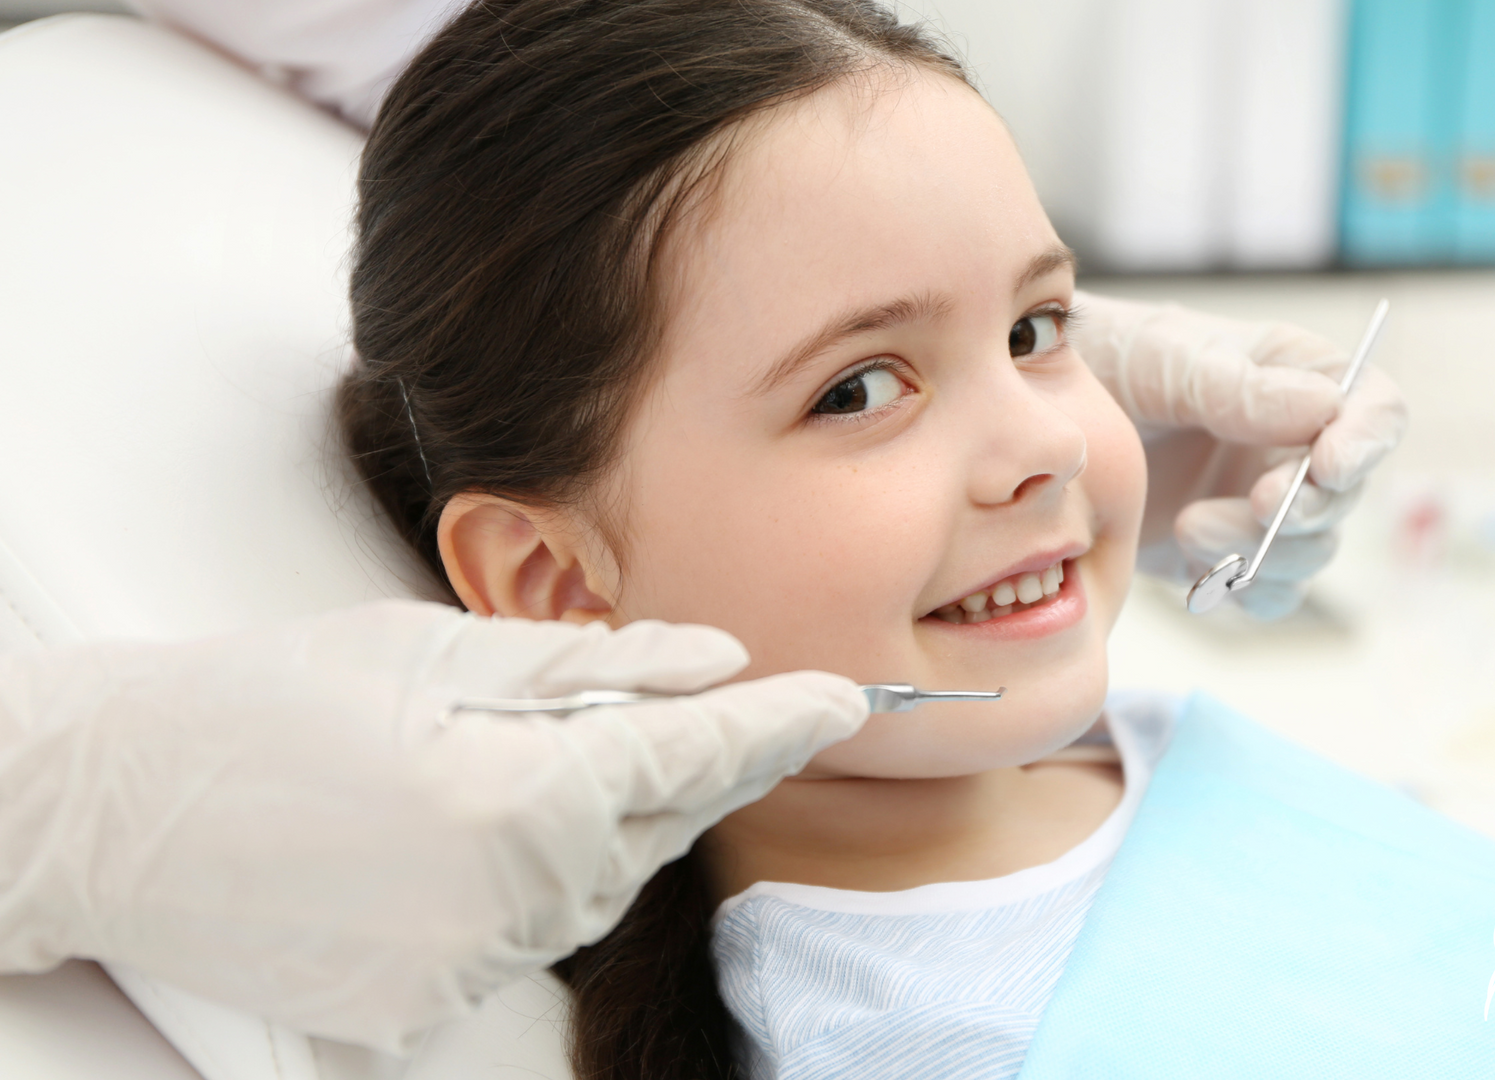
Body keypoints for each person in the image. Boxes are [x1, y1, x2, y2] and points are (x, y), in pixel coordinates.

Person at [0, 0, 1406, 1059]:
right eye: (859, 389)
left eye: (1040, 328)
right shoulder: (942, 1031)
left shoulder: (1139, 752)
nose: (1046, 439)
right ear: (555, 579)